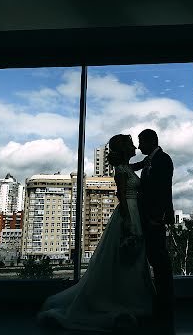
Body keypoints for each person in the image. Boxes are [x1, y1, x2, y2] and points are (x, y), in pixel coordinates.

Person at [37, 134, 155, 332]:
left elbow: (137, 166)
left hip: (135, 213)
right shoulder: (120, 170)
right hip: (129, 214)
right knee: (127, 260)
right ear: (125, 149)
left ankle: (132, 301)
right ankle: (127, 303)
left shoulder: (126, 167)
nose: (135, 145)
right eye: (131, 143)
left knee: (133, 260)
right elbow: (121, 196)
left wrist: (149, 158)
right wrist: (127, 220)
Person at [137, 128, 175, 320]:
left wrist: (157, 216)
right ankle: (161, 300)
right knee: (155, 258)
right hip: (148, 218)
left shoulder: (163, 159)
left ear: (151, 141)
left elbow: (163, 190)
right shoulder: (149, 161)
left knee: (159, 260)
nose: (138, 146)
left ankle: (165, 302)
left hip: (154, 219)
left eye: (141, 142)